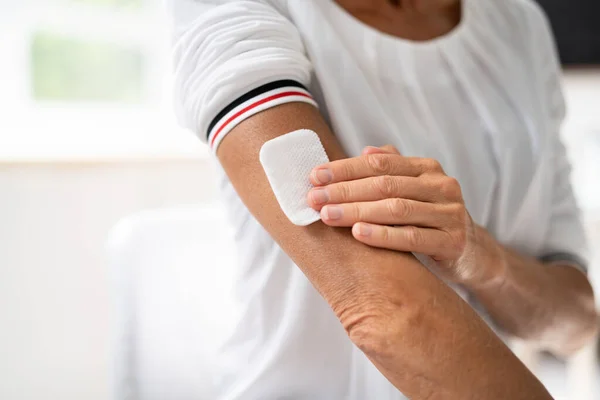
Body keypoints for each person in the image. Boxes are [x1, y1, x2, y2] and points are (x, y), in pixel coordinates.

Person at [168, 0, 598, 398]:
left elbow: (576, 322)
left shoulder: (520, 23)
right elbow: (385, 311)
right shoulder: (239, 8)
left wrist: (480, 258)